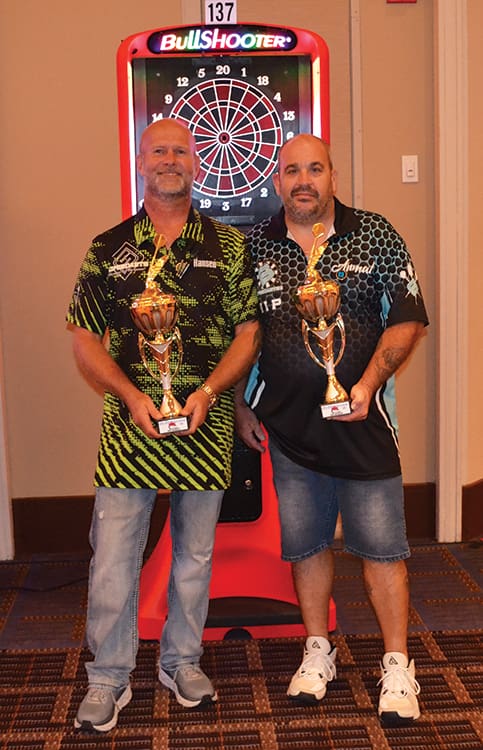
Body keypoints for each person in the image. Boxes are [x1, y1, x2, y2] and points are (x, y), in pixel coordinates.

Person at [66, 118, 260, 732]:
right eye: (159, 151)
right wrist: (129, 396)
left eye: (181, 150)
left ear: (197, 164)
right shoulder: (107, 247)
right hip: (130, 428)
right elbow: (84, 338)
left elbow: (248, 332)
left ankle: (181, 662)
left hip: (206, 421)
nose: (170, 160)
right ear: (141, 162)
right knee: (113, 559)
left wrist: (207, 392)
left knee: (195, 556)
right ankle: (108, 676)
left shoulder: (230, 246)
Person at [236, 134, 428, 727]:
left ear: (333, 177)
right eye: (292, 170)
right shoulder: (254, 246)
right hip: (289, 432)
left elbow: (408, 320)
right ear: (278, 182)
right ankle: (318, 649)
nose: (304, 181)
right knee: (308, 545)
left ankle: (397, 663)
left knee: (382, 549)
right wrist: (242, 404)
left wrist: (366, 386)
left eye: (315, 169)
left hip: (364, 426)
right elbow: (243, 335)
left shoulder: (374, 234)